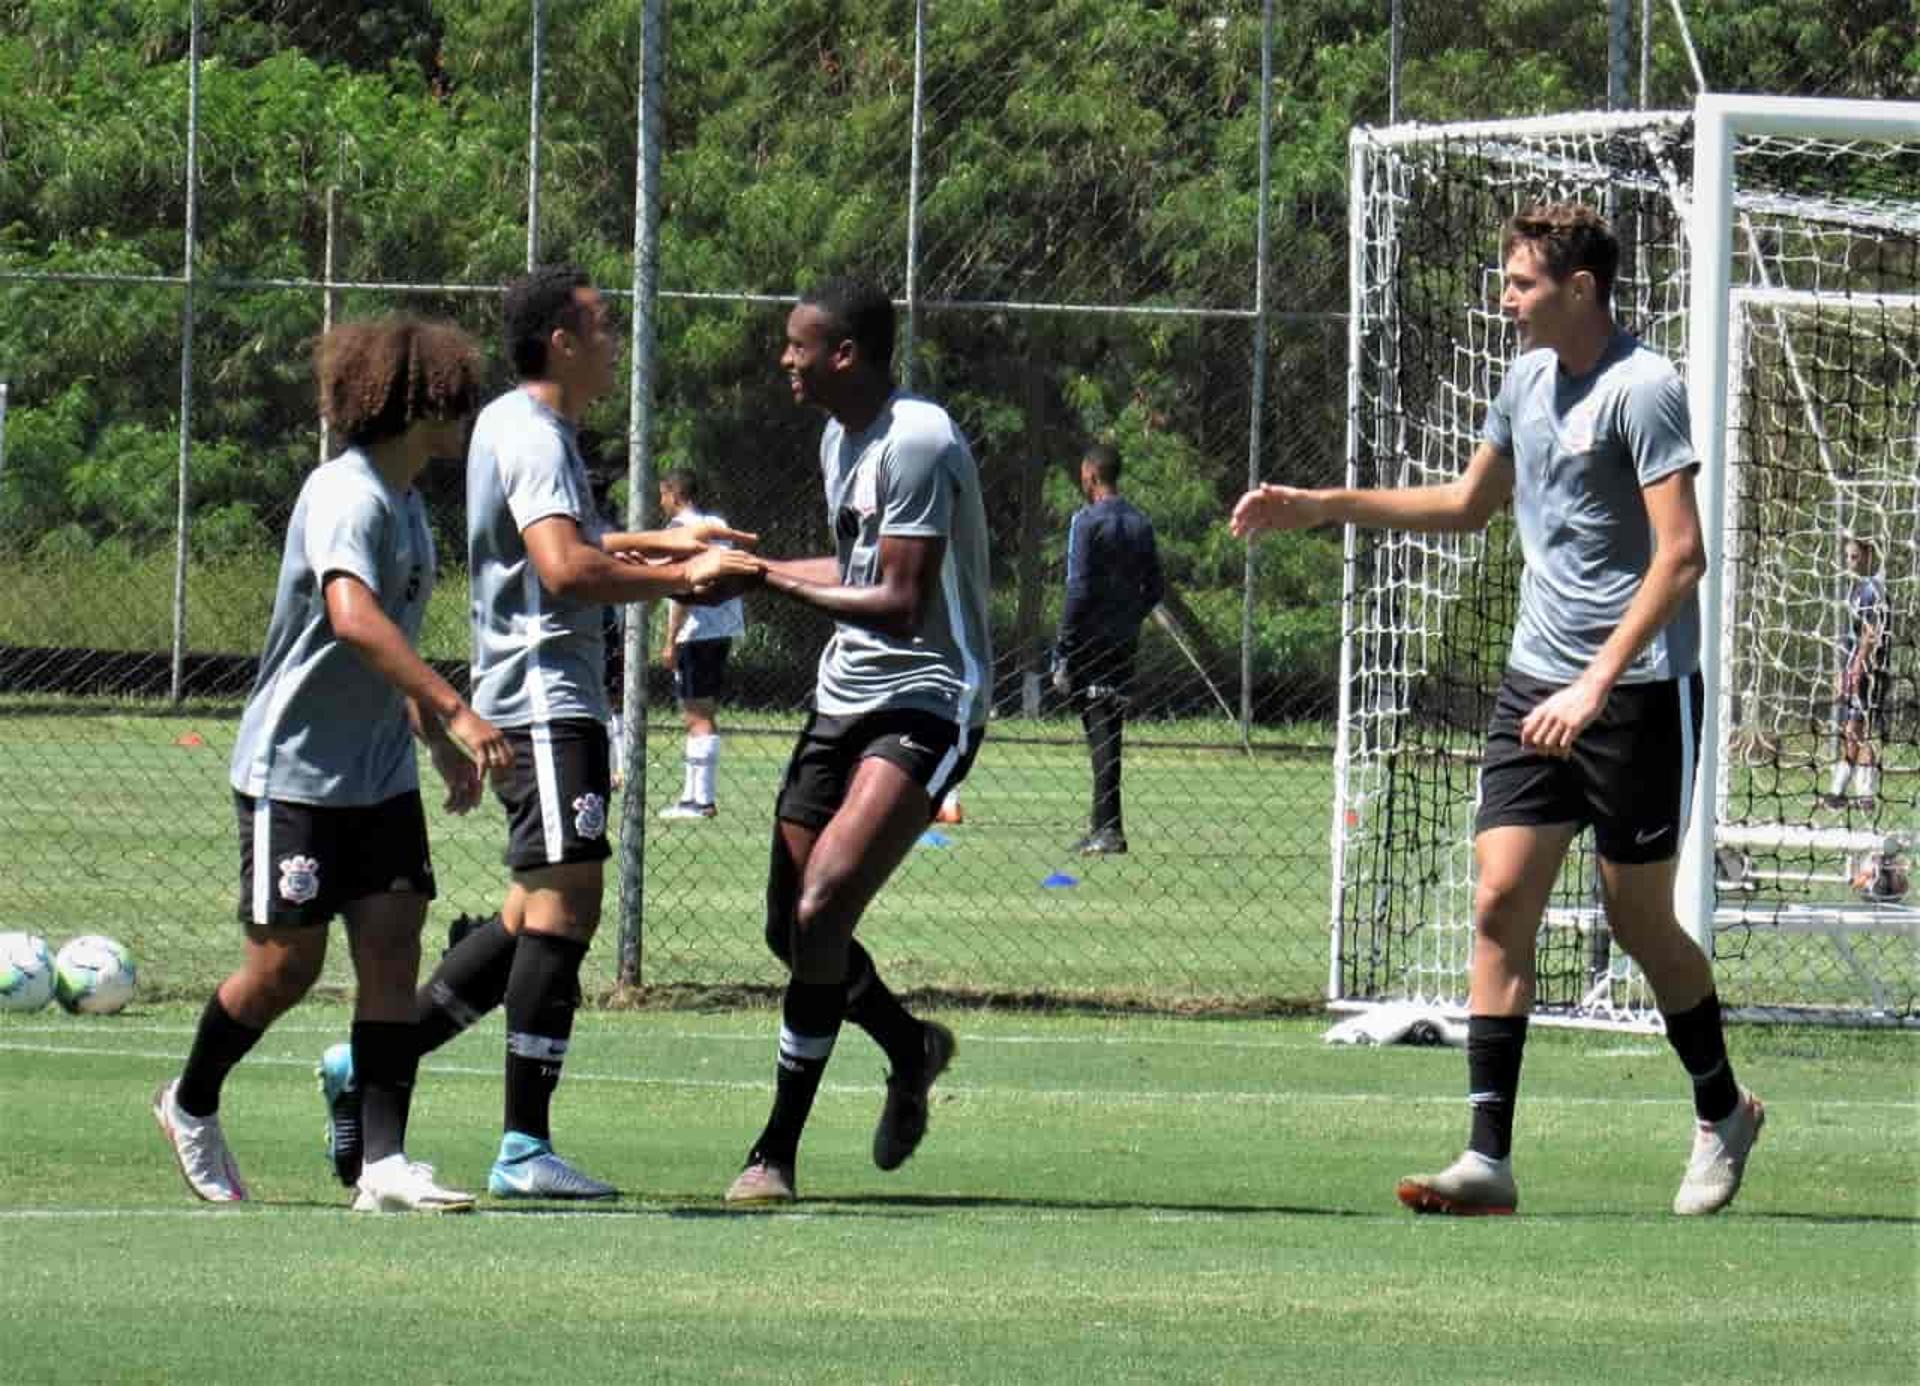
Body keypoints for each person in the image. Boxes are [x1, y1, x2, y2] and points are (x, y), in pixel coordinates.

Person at [1232, 203, 1764, 1217]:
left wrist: (1595, 683)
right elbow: (1470, 505)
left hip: (1637, 692)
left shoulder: (1644, 389)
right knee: (1497, 901)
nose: (1505, 298)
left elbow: (1681, 557)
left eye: (1521, 284)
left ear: (1579, 290)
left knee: (1637, 919)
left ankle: (1722, 1107)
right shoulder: (1523, 380)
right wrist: (1322, 505)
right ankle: (1488, 1160)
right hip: (1533, 685)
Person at [316, 265, 761, 1201]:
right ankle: (524, 1146)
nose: (613, 341)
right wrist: (683, 583)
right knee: (566, 908)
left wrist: (671, 546)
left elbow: (569, 544)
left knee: (529, 913)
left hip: (547, 699)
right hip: (547, 699)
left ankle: (368, 1066)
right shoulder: (532, 434)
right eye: (601, 325)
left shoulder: (529, 431)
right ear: (561, 337)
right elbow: (563, 569)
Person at [153, 317, 510, 1213]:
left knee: (394, 946)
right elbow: (352, 619)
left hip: (379, 770)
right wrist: (459, 711)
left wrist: (429, 738)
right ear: (415, 402)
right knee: (285, 971)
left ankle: (384, 1165)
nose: (465, 411)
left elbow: (387, 647)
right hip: (295, 773)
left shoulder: (409, 504)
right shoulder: (344, 494)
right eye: (454, 395)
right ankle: (190, 1101)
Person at [723, 277, 992, 1204]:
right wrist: (724, 569)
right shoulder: (841, 437)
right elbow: (855, 566)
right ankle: (911, 1044)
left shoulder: (916, 437)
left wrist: (757, 580)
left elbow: (901, 601)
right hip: (844, 696)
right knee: (786, 924)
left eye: (799, 345)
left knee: (824, 902)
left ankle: (774, 1153)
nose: (784, 360)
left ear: (844, 354)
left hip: (928, 697)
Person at [1052, 442, 1163, 855]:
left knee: (1100, 731)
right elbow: (1155, 587)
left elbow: (1077, 587)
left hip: (1089, 639)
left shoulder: (1086, 522)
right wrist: (1129, 616)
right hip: (1123, 639)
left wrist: (1063, 646)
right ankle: (1105, 823)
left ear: (1091, 475)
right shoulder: (1141, 522)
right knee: (1110, 728)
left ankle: (1108, 829)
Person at [657, 466, 747, 820]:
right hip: (722, 627)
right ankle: (693, 795)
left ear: (675, 495)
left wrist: (671, 640)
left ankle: (701, 800)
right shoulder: (716, 524)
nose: (660, 501)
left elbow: (681, 588)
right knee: (704, 711)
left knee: (695, 713)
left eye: (662, 494)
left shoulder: (680, 531)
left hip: (696, 631)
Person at [1825, 535, 1891, 810]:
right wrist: (1844, 669)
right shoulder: (1855, 590)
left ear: (1868, 556)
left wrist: (1856, 667)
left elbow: (1871, 633)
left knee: (1862, 727)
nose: (1849, 562)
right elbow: (1851, 638)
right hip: (1854, 668)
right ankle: (1839, 790)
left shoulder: (1874, 589)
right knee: (1851, 729)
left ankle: (1865, 793)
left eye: (1854, 556)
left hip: (1870, 670)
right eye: (1847, 556)